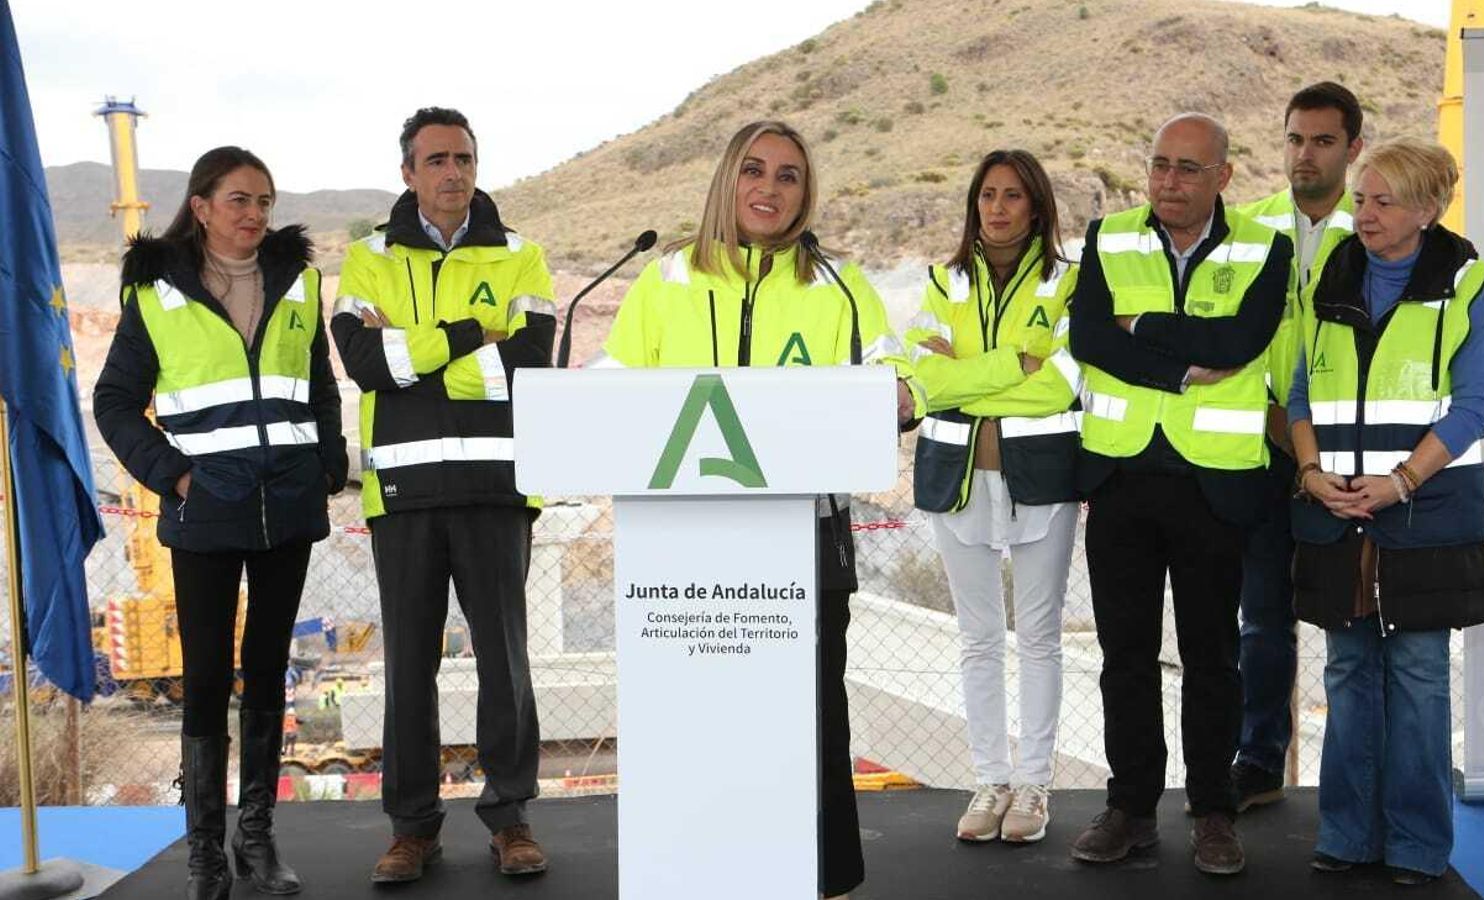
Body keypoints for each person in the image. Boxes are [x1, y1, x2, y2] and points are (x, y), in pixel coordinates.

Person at [595, 120, 923, 900]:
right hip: (684, 541)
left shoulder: (839, 283)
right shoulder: (667, 278)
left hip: (802, 536)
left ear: (806, 193)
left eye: (788, 176)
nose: (769, 189)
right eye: (754, 170)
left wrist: (903, 394)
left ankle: (825, 879)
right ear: (726, 181)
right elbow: (612, 380)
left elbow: (896, 371)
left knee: (811, 719)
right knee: (700, 724)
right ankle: (700, 873)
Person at [94, 146, 347, 899]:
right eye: (239, 200)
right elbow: (113, 401)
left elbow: (320, 388)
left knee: (268, 670)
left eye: (265, 201)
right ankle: (205, 852)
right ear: (201, 206)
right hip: (205, 511)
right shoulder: (155, 291)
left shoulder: (298, 282)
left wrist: (327, 464)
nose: (255, 215)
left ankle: (256, 842)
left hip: (289, 509)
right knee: (205, 677)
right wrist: (172, 474)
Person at [330, 107, 558, 884]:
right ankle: (411, 830)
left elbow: (530, 363)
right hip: (404, 495)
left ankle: (511, 817)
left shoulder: (524, 256)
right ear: (408, 172)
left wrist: (417, 351)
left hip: (498, 488)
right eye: (436, 160)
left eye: (463, 157)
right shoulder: (365, 259)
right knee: (408, 674)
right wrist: (472, 335)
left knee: (506, 666)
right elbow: (366, 363)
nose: (453, 172)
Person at [1067, 113, 1292, 875]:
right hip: (1121, 478)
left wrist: (1146, 324)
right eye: (1160, 164)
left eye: (1188, 169)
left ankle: (1212, 812)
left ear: (1223, 177)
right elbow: (1090, 340)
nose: (1168, 181)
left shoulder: (1268, 247)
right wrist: (1177, 366)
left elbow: (1239, 345)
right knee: (1123, 657)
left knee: (1212, 658)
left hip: (1214, 487)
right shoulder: (1109, 236)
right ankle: (1130, 806)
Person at [1289, 137, 1484, 886]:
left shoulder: (1465, 286)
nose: (1365, 214)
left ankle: (1416, 845)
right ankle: (1347, 833)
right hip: (1336, 512)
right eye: (1360, 200)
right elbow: (1299, 397)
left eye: (1383, 202)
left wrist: (1401, 482)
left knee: (1416, 674)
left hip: (1427, 513)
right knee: (1348, 672)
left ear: (1428, 210)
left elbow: (1475, 407)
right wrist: (1311, 472)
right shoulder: (1325, 278)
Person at [904, 149, 1081, 844]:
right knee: (977, 640)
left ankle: (1033, 788)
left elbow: (1061, 382)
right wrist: (1013, 364)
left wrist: (966, 372)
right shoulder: (943, 281)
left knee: (1038, 639)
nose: (997, 208)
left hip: (1043, 477)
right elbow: (923, 374)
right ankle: (990, 781)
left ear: (1036, 206)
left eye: (1012, 196)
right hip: (957, 477)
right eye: (986, 195)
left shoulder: (1069, 282)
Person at [1229, 81, 1364, 810]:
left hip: (1347, 455)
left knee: (1350, 619)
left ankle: (1353, 775)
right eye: (1293, 139)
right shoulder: (1247, 230)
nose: (1303, 154)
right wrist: (1274, 421)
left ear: (1353, 149)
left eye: (1321, 141)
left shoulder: (1375, 231)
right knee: (1262, 618)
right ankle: (1257, 760)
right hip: (1258, 450)